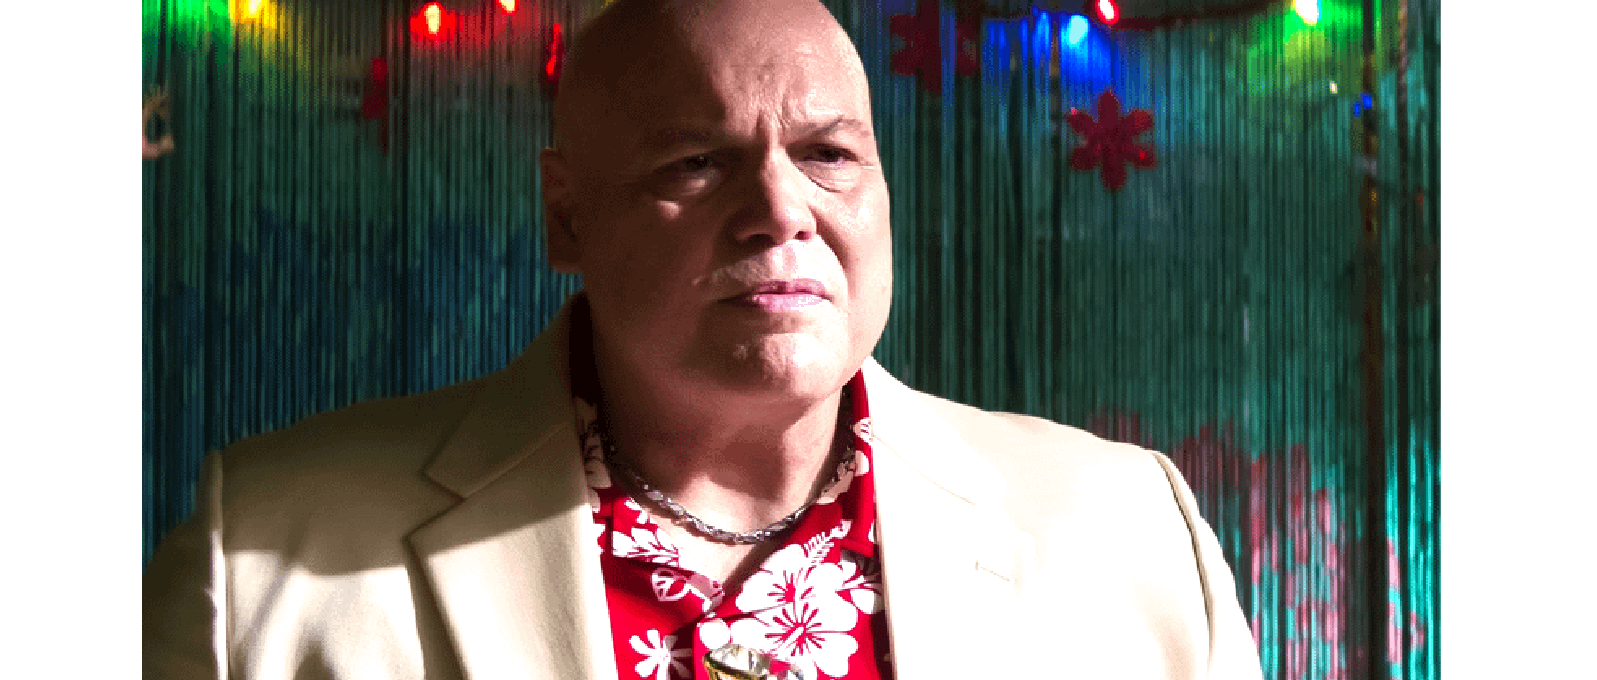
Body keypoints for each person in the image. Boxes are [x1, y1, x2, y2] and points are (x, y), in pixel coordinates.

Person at [143, 1, 1264, 678]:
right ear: (567, 215)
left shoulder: (1130, 533)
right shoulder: (264, 561)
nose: (779, 209)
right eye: (696, 161)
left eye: (827, 154)